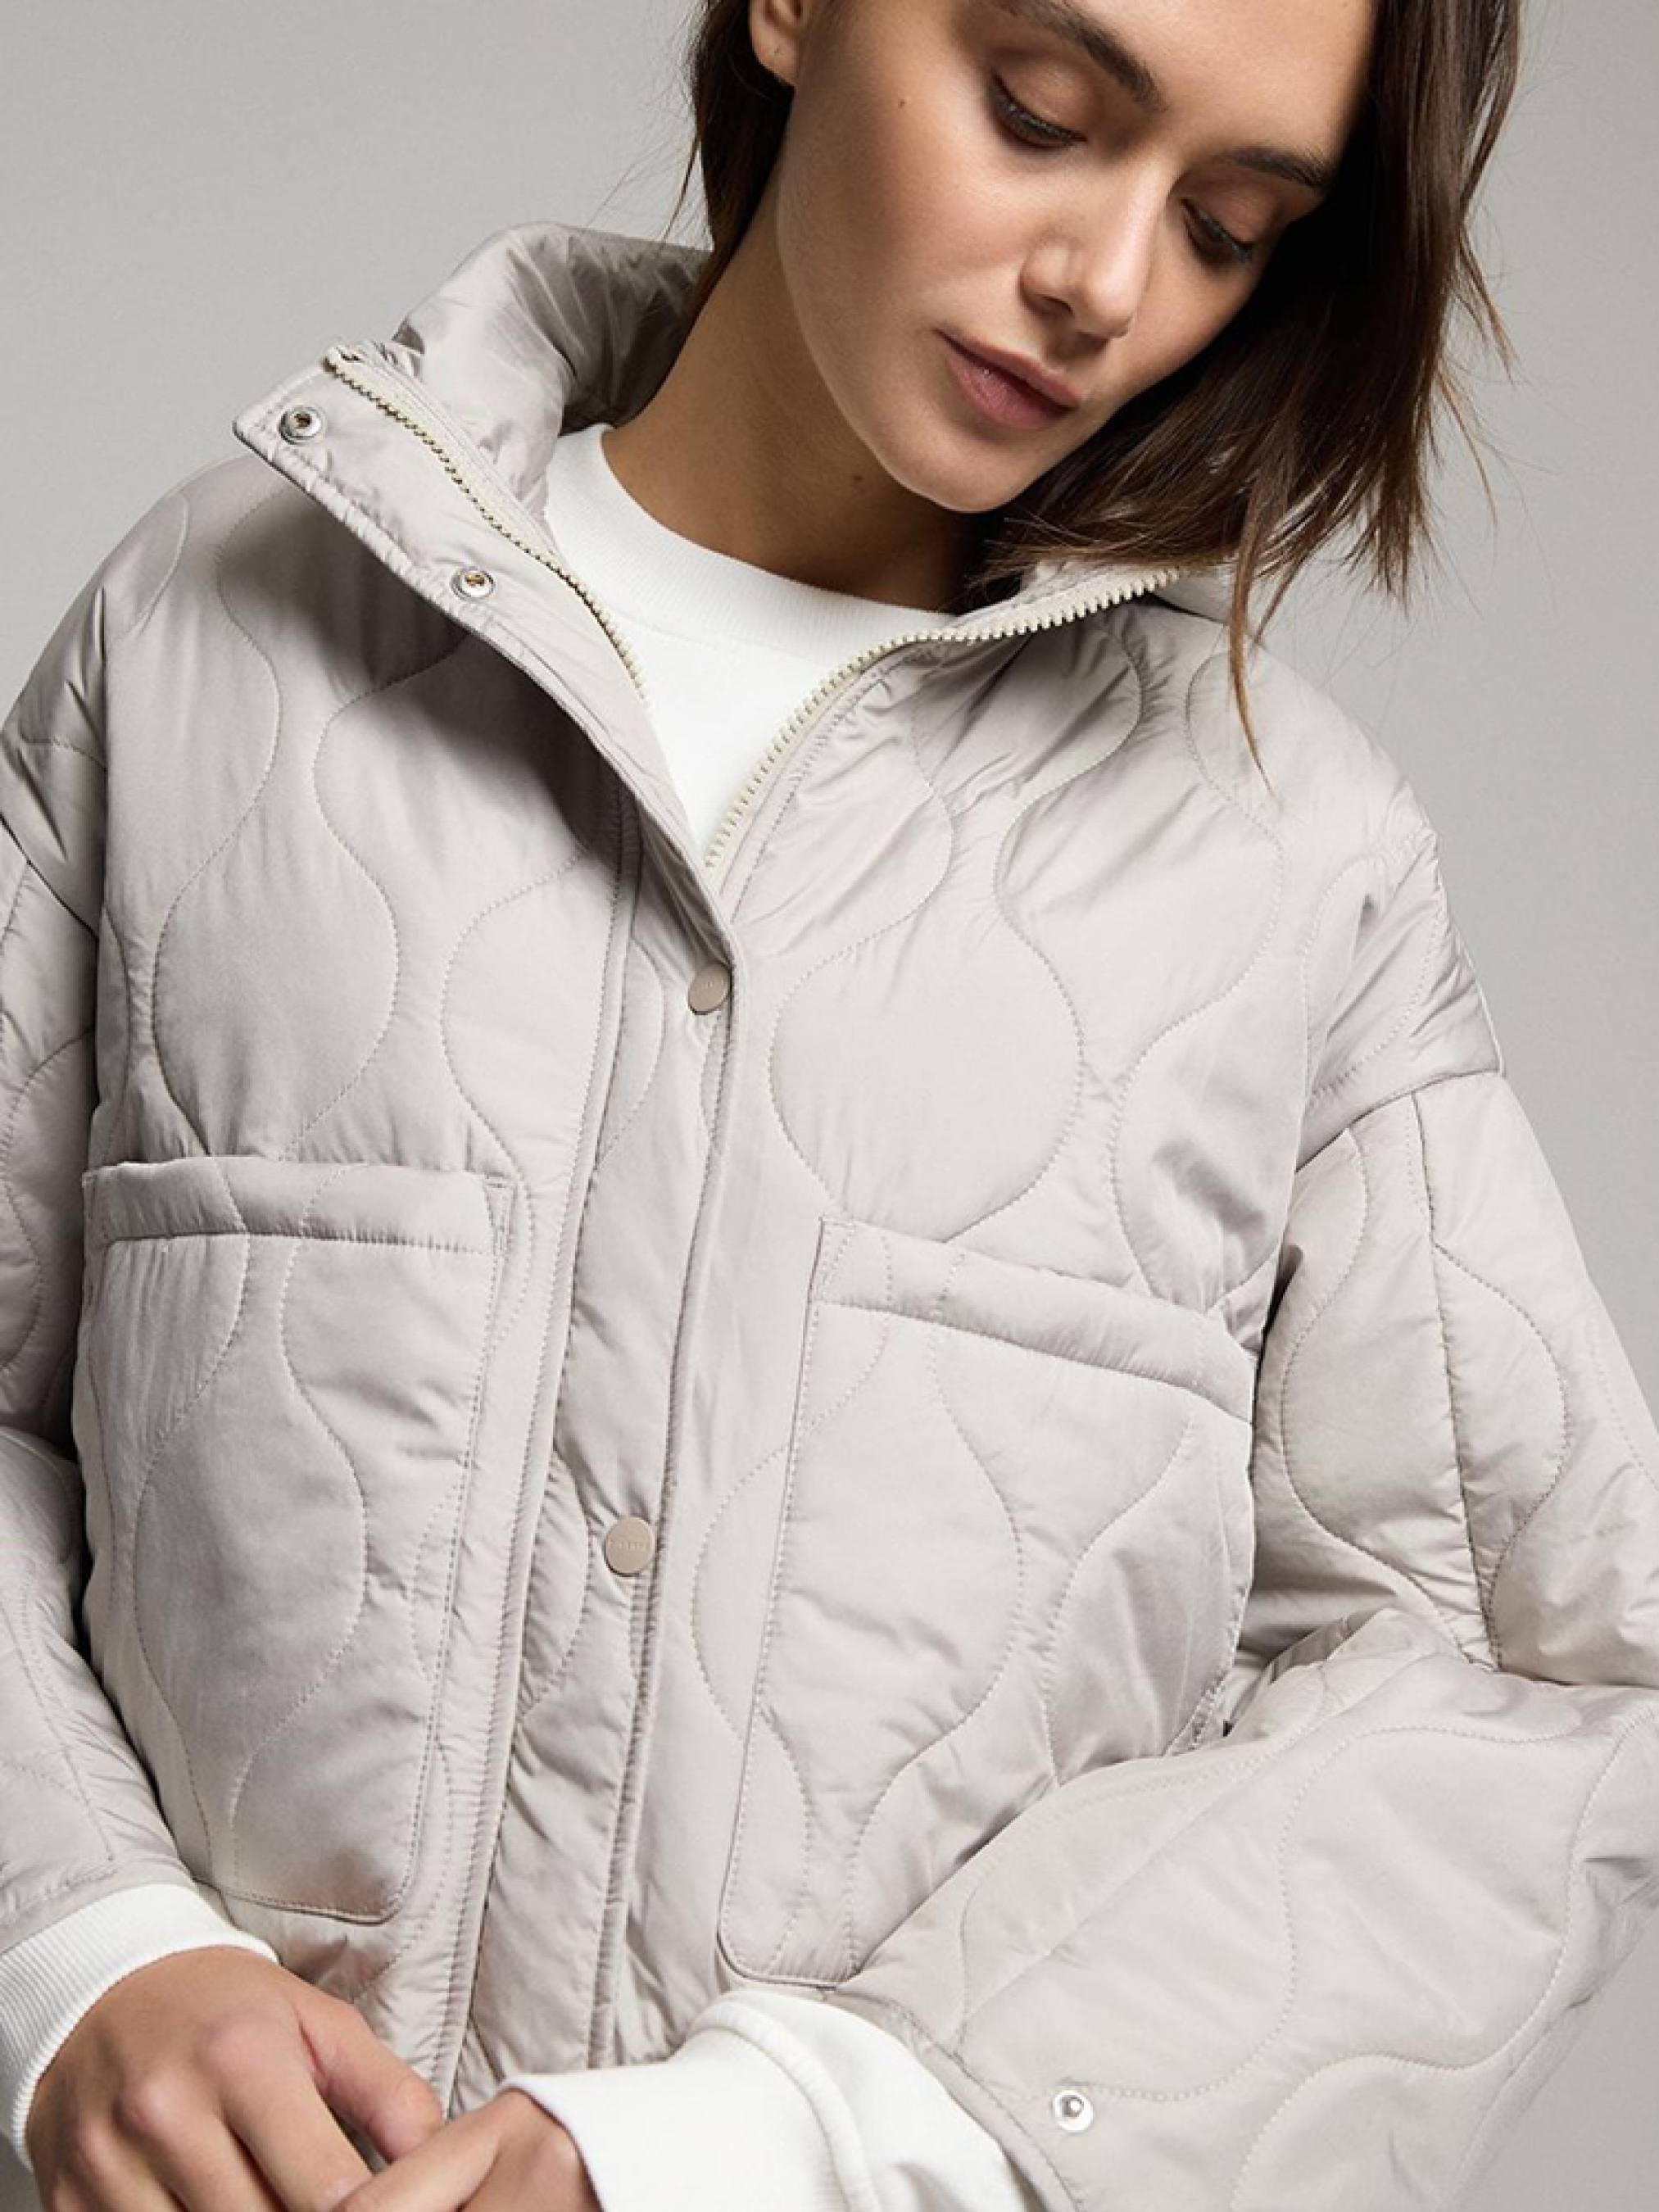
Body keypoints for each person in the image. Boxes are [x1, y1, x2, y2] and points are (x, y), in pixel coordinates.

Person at [2, 0, 1656, 2207]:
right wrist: (77, 1940)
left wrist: (814, 2130)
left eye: (1229, 227)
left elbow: (1535, 1672)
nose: (1105, 282)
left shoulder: (1287, 860)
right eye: (1040, 113)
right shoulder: (210, 641)